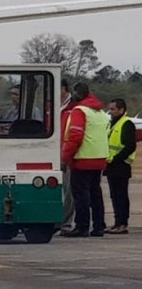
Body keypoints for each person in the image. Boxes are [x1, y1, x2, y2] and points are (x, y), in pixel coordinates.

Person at [61, 82, 109, 237]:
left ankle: (82, 227)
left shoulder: (79, 111)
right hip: (99, 158)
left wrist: (65, 157)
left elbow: (75, 136)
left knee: (81, 195)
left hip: (82, 159)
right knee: (96, 193)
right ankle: (99, 226)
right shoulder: (100, 112)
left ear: (77, 94)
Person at [105, 98, 137, 234]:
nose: (110, 112)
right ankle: (117, 222)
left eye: (113, 109)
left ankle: (122, 223)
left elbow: (130, 146)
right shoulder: (112, 123)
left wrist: (115, 159)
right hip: (111, 165)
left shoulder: (126, 123)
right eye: (110, 109)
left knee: (121, 196)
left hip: (121, 165)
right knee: (114, 195)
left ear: (121, 110)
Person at [60, 79, 76, 234]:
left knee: (68, 189)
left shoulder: (73, 109)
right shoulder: (56, 108)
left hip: (67, 155)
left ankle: (66, 222)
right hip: (55, 152)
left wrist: (65, 156)